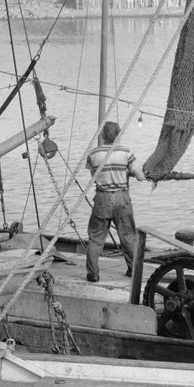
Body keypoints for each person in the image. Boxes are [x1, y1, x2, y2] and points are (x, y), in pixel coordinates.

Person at [85, 120, 145, 282]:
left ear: (103, 135)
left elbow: (94, 176)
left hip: (102, 198)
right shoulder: (126, 153)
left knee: (96, 237)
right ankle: (132, 270)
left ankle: (93, 274)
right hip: (122, 198)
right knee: (128, 235)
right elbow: (139, 176)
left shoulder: (93, 154)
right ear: (118, 135)